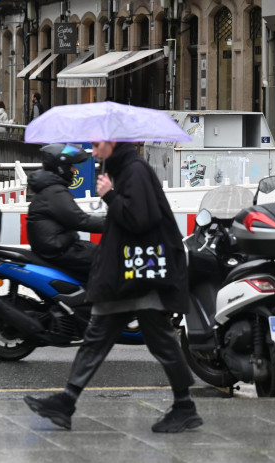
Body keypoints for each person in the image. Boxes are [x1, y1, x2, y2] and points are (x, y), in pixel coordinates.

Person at [24, 141, 201, 434]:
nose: (93, 152)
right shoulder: (124, 169)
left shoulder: (134, 171)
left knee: (160, 343)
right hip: (127, 274)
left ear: (113, 141)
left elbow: (140, 219)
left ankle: (185, 406)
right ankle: (66, 402)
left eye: (96, 145)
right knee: (98, 337)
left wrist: (110, 195)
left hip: (141, 274)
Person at [26, 144, 104, 281]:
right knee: (108, 260)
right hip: (59, 250)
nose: (74, 170)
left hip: (59, 246)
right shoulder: (54, 191)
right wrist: (114, 222)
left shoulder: (50, 189)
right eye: (71, 166)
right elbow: (81, 220)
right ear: (61, 168)